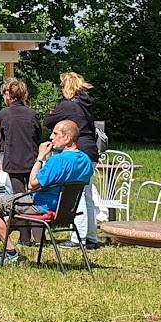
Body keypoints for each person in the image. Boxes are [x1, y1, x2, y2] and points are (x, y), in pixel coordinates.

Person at [0, 118, 93, 266]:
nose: (51, 137)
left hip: (41, 205)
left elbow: (32, 184)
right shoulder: (86, 160)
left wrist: (40, 157)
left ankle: (11, 254)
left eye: (55, 133)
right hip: (65, 210)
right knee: (8, 220)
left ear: (67, 138)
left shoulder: (58, 160)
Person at [43, 72, 100, 249]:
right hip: (91, 151)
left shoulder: (68, 106)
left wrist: (51, 112)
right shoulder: (85, 104)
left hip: (78, 151)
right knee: (87, 194)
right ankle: (91, 237)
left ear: (66, 87)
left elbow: (47, 120)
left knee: (77, 193)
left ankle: (78, 238)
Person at [0, 77, 41, 249]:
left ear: (8, 95)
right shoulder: (32, 114)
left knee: (19, 198)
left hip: (13, 161)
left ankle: (25, 236)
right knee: (35, 197)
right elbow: (37, 135)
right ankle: (38, 234)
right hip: (31, 159)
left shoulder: (3, 114)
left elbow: (3, 136)